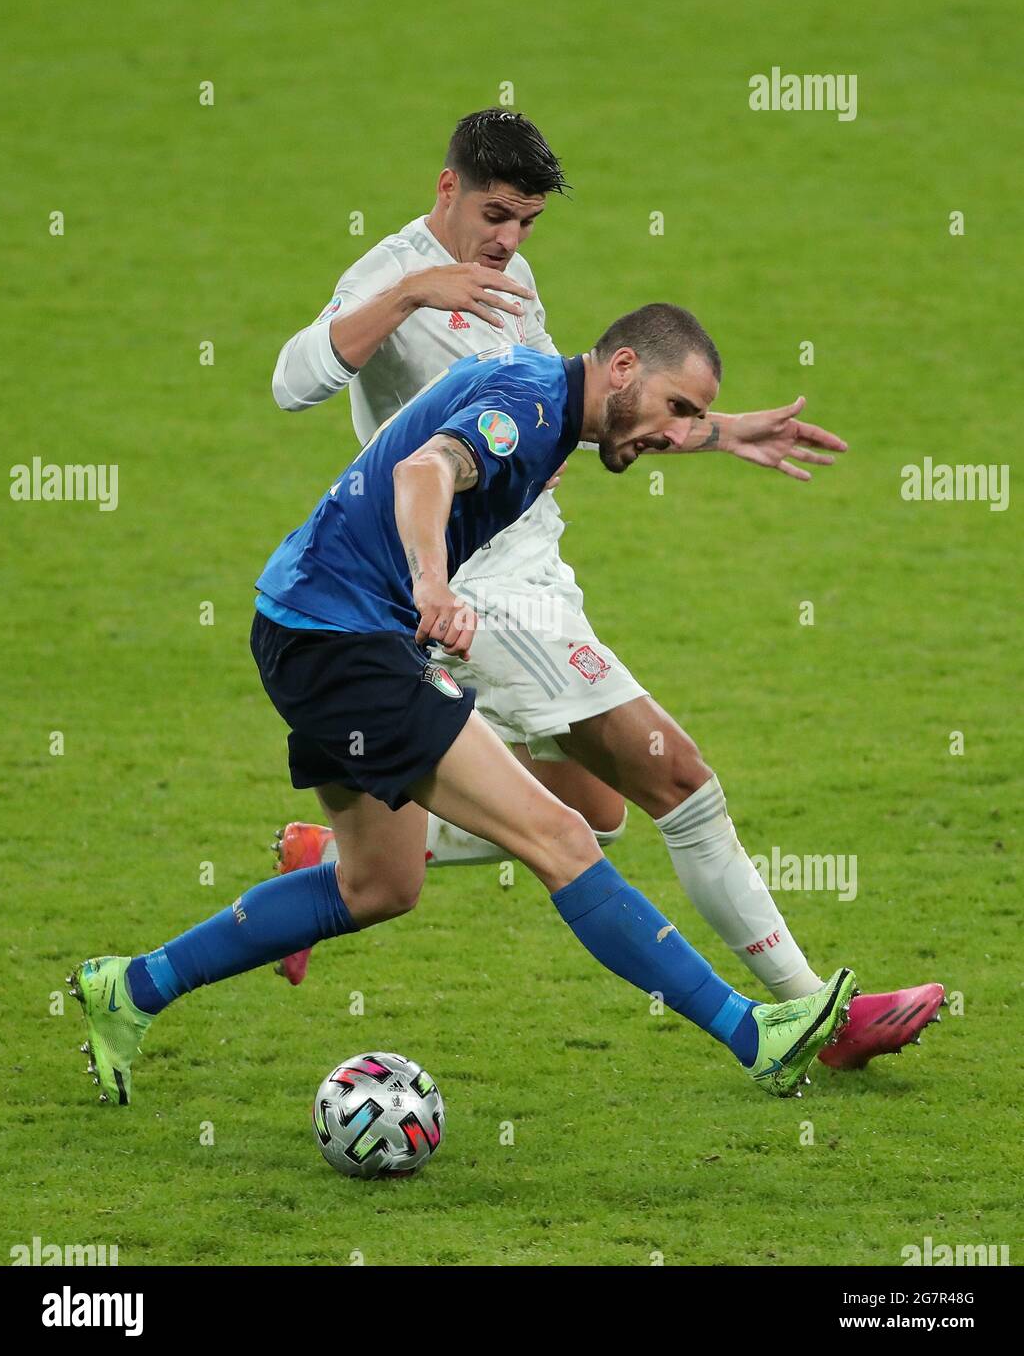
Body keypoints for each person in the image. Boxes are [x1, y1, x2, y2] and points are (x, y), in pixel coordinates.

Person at [267, 109, 943, 1066]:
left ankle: (330, 863)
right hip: (480, 583)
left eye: (528, 223)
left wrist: (714, 430)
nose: (508, 241)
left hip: (539, 560)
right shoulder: (389, 274)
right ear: (447, 188)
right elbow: (293, 381)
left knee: (595, 811)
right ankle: (820, 1019)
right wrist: (415, 292)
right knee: (677, 776)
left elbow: (575, 403)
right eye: (496, 215)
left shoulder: (514, 279)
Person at [71, 307, 859, 1109]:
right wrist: (431, 581)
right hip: (343, 639)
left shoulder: (550, 392)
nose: (681, 431)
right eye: (679, 409)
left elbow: (590, 422)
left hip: (306, 625)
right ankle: (752, 1033)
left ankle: (129, 989)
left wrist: (722, 433)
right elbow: (424, 472)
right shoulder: (532, 408)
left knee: (379, 884)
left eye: (693, 417)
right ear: (621, 369)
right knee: (561, 835)